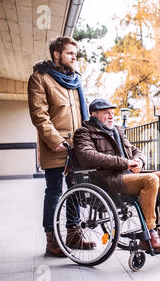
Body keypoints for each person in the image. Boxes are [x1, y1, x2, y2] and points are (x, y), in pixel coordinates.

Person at [73, 98, 160, 253]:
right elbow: (87, 156)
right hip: (109, 179)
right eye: (106, 113)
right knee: (151, 180)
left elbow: (135, 150)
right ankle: (149, 234)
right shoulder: (84, 132)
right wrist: (125, 163)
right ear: (94, 114)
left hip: (129, 175)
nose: (111, 116)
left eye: (112, 113)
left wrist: (139, 160)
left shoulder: (117, 130)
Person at [28, 36, 95, 257]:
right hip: (55, 146)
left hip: (78, 146)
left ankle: (74, 235)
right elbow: (39, 114)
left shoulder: (76, 81)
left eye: (75, 54)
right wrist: (55, 140)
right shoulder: (40, 78)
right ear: (56, 54)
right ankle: (51, 239)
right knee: (54, 191)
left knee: (75, 189)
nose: (74, 58)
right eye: (69, 53)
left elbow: (83, 114)